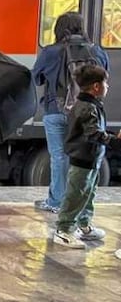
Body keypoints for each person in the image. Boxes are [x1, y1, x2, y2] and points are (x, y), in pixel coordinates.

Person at [30, 12, 109, 213]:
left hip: (55, 110)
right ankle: (81, 207)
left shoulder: (50, 52)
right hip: (87, 111)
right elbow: (104, 78)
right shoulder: (97, 52)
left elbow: (36, 78)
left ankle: (57, 202)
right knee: (86, 160)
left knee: (58, 157)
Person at [53, 65, 115, 249]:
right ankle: (63, 230)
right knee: (76, 194)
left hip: (92, 158)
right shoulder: (87, 107)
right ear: (96, 86)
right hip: (83, 159)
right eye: (105, 83)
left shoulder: (91, 104)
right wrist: (114, 140)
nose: (107, 86)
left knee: (88, 193)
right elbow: (93, 134)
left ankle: (83, 225)